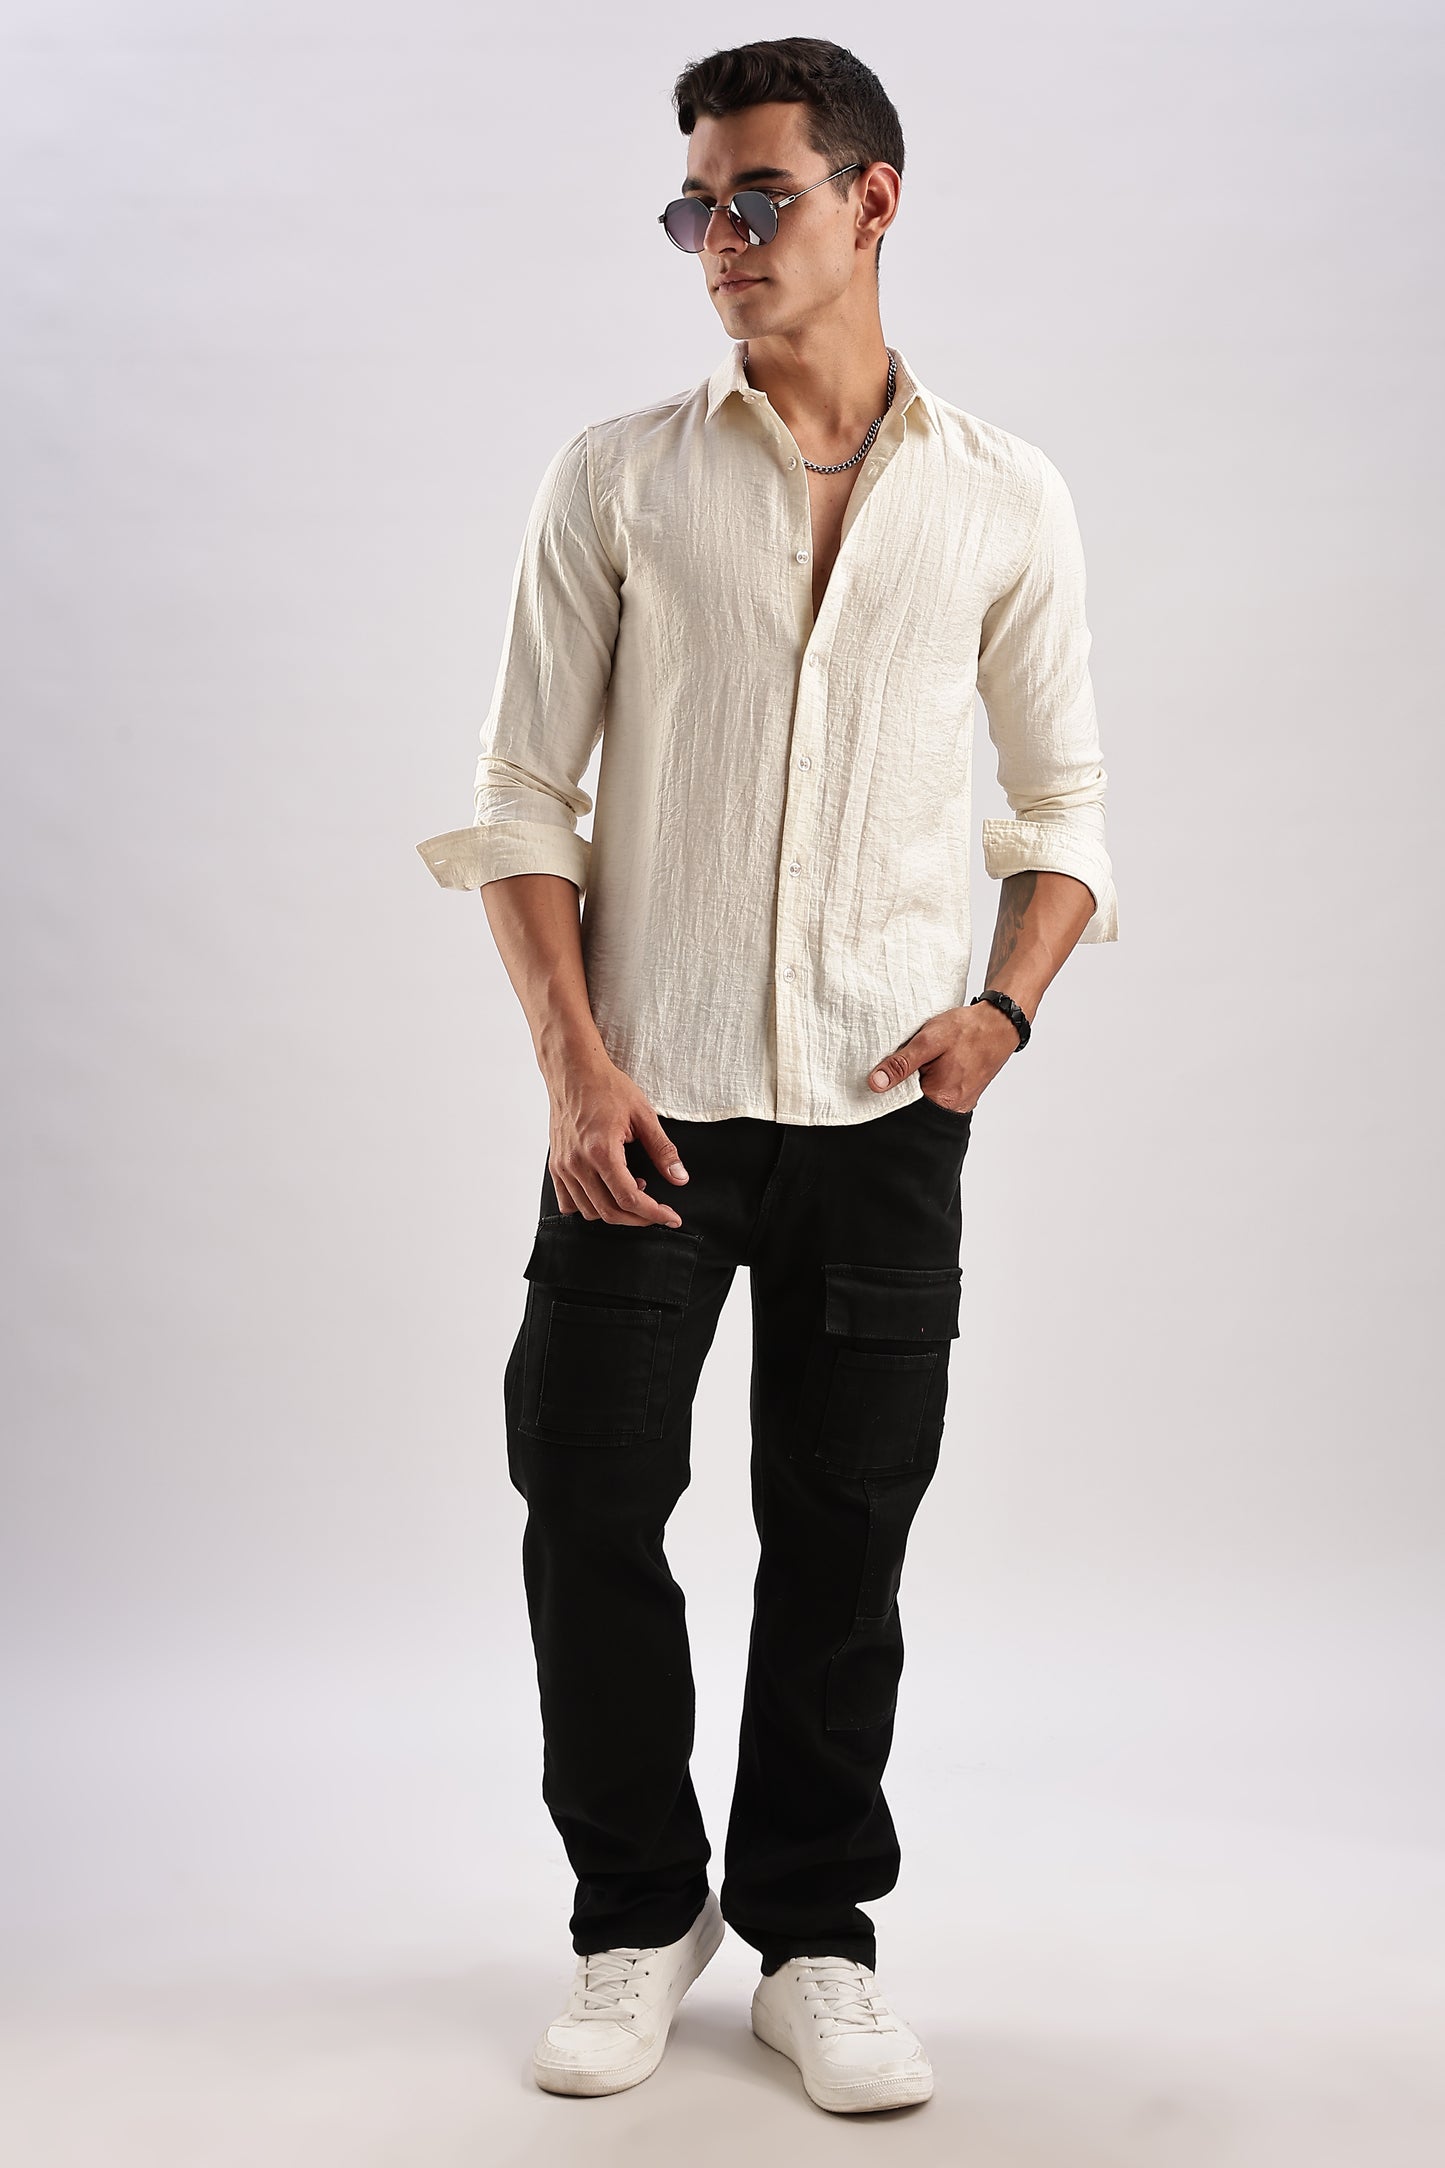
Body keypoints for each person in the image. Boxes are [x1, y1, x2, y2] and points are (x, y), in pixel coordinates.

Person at [415, 34, 1118, 2116]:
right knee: (585, 1497)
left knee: (842, 1534)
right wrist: (574, 1070)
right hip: (643, 1108)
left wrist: (999, 1016)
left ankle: (815, 1935)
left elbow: (1068, 809)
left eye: (756, 199)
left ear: (869, 203)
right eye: (692, 209)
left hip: (888, 1118)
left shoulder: (1002, 495)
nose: (717, 241)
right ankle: (640, 1915)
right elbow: (521, 799)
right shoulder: (618, 477)